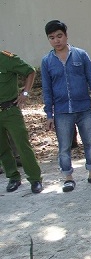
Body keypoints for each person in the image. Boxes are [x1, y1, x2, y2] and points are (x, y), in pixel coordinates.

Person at [41, 20, 91, 192]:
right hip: (62, 111)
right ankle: (68, 178)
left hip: (84, 108)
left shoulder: (80, 55)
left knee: (89, 142)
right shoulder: (47, 61)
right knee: (64, 146)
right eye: (52, 38)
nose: (57, 40)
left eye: (59, 36)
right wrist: (49, 114)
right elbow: (47, 89)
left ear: (66, 35)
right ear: (49, 40)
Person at [0, 50, 43, 193]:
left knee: (22, 145)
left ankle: (35, 179)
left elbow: (30, 71)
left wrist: (25, 92)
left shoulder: (6, 59)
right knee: (2, 148)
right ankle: (13, 177)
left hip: (10, 110)